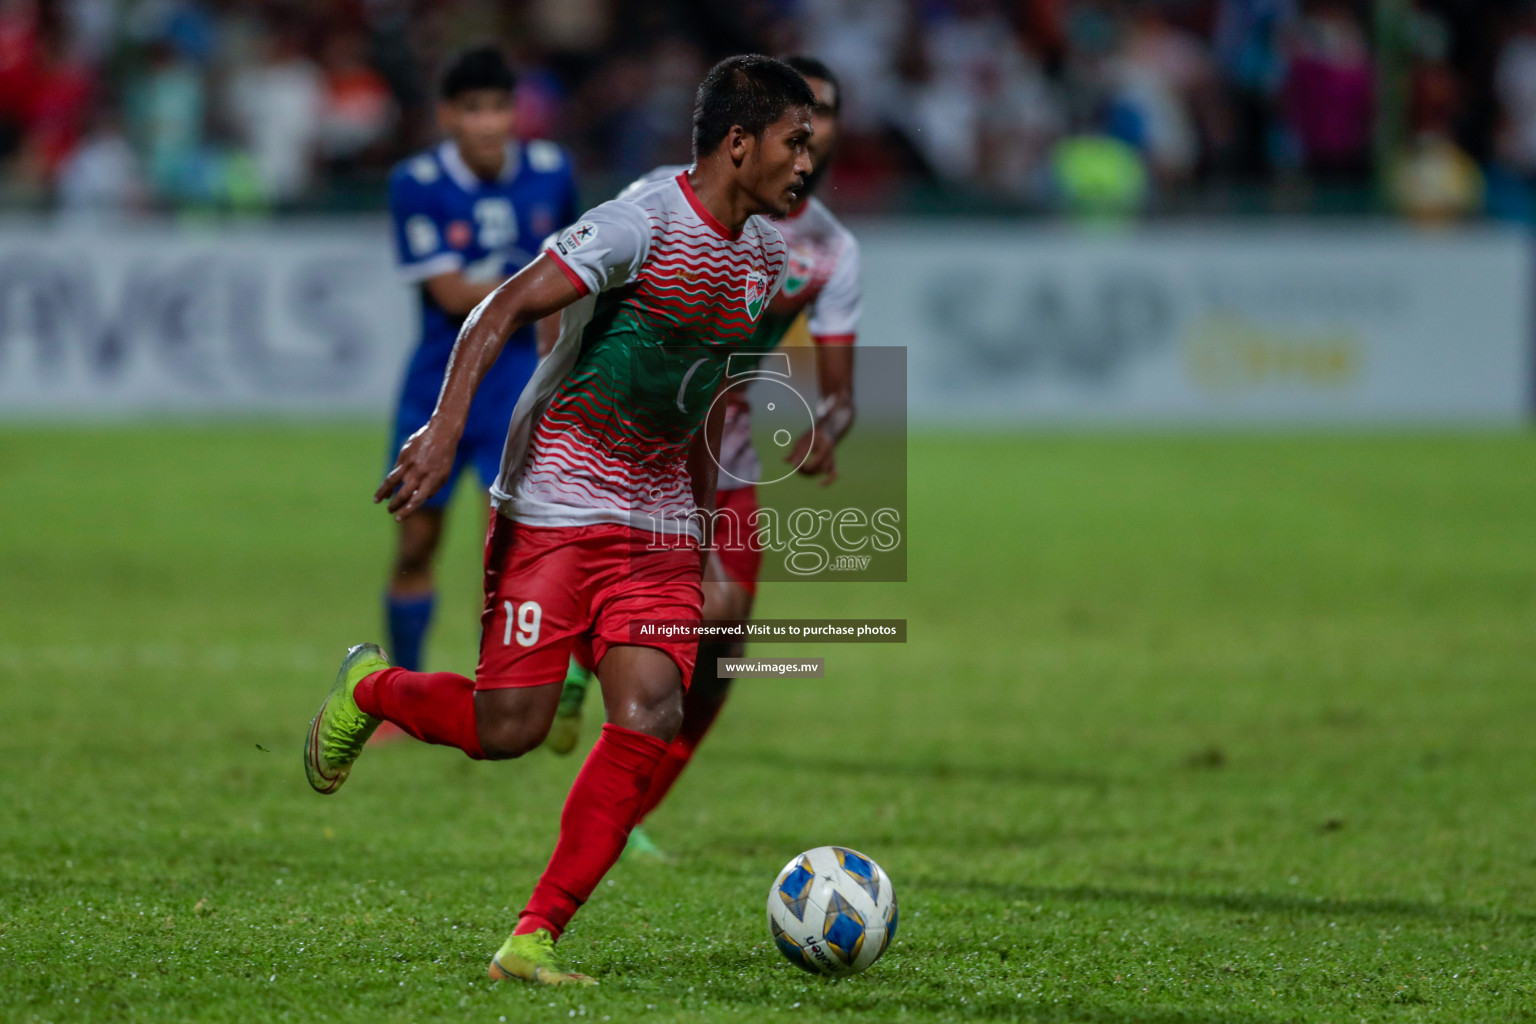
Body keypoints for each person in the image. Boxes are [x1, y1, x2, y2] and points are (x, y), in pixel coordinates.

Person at [303, 54, 815, 986]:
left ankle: (534, 936)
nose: (807, 163)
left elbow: (700, 396)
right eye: (795, 140)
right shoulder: (640, 222)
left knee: (649, 712)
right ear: (740, 144)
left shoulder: (768, 260)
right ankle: (371, 690)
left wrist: (704, 533)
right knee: (511, 728)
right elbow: (498, 307)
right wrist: (443, 426)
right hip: (556, 503)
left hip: (658, 524)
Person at [546, 57, 861, 863]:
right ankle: (589, 671)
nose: (810, 133)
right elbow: (576, 282)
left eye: (822, 116)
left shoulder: (829, 249)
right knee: (670, 616)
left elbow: (841, 381)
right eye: (801, 115)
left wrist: (831, 418)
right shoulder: (666, 194)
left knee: (723, 646)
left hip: (735, 459)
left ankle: (632, 806)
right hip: (647, 448)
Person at [381, 47, 578, 679]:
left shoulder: (553, 172)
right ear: (448, 116)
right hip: (438, 389)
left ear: (515, 113)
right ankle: (401, 687)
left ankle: (501, 688)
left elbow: (582, 271)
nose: (488, 124)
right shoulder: (416, 183)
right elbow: (449, 293)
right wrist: (534, 286)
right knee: (417, 541)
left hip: (520, 390)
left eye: (498, 108)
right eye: (473, 110)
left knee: (513, 551)